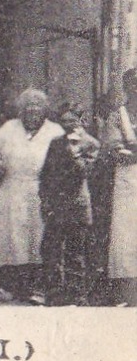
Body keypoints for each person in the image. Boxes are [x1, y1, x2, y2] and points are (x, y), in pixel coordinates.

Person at [0, 88, 63, 304]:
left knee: (37, 239)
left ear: (44, 110)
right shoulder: (8, 128)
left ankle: (38, 290)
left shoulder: (54, 131)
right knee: (8, 238)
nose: (32, 111)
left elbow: (65, 162)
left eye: (37, 106)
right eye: (28, 106)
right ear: (21, 110)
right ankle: (7, 288)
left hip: (40, 190)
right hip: (10, 188)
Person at [39, 105, 98, 306]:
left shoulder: (91, 144)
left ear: (81, 121)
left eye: (72, 121)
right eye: (63, 122)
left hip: (77, 205)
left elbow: (86, 173)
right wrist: (45, 200)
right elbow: (45, 174)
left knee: (75, 252)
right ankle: (54, 294)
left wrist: (74, 153)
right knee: (50, 250)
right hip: (56, 204)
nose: (67, 126)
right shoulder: (55, 143)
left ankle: (76, 295)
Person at [105, 68, 137, 305]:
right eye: (132, 84)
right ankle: (127, 292)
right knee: (126, 233)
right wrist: (125, 151)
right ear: (126, 88)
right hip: (127, 180)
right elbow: (115, 149)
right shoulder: (118, 116)